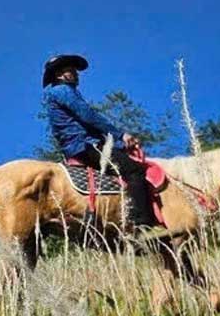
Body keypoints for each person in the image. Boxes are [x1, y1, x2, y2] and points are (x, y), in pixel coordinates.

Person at [41, 54, 164, 235]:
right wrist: (121, 135)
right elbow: (88, 116)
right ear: (60, 75)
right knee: (135, 170)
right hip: (83, 145)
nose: (76, 73)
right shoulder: (63, 91)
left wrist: (120, 145)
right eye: (71, 70)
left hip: (79, 146)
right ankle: (143, 226)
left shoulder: (60, 93)